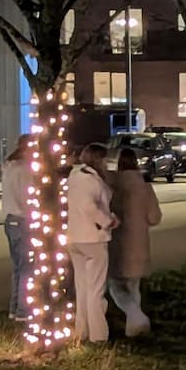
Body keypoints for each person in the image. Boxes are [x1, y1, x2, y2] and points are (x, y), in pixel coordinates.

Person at [107, 147, 163, 337]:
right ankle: (136, 325)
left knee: (115, 285)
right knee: (133, 286)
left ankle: (136, 319)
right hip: (138, 243)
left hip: (115, 242)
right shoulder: (144, 185)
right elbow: (155, 217)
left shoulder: (111, 183)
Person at [66, 142, 117, 344]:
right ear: (99, 159)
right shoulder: (92, 182)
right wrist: (108, 221)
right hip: (93, 238)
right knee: (95, 289)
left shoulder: (75, 177)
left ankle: (82, 331)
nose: (107, 163)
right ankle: (99, 335)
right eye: (105, 158)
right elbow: (89, 207)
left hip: (75, 237)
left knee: (83, 287)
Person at [0, 135, 33, 319]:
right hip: (23, 219)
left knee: (18, 267)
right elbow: (29, 198)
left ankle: (14, 308)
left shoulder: (9, 166)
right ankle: (23, 310)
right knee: (28, 267)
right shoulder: (26, 170)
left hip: (10, 220)